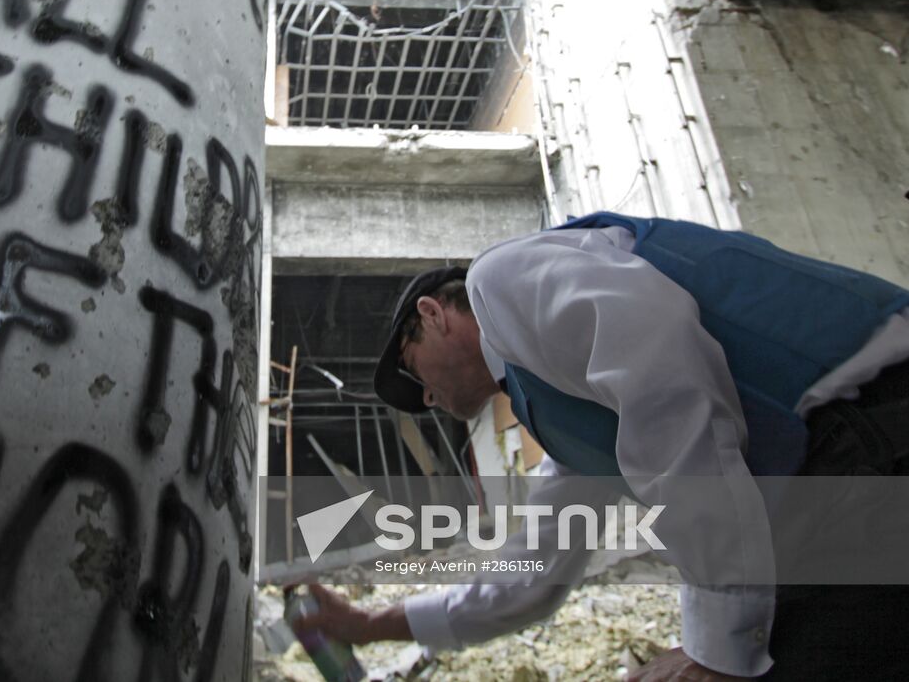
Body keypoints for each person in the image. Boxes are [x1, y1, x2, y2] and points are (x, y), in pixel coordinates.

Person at [291, 211, 909, 681]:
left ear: (433, 314)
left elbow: (662, 374)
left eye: (415, 375)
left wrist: (714, 650)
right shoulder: (566, 419)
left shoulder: (499, 279)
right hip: (842, 481)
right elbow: (530, 575)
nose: (430, 398)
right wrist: (371, 626)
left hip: (873, 429)